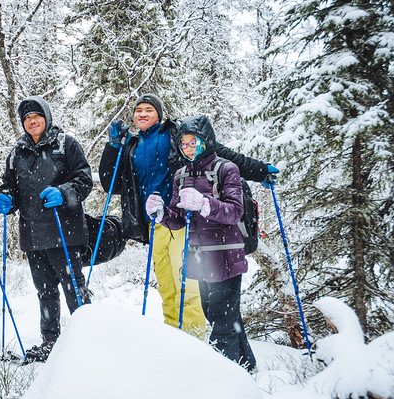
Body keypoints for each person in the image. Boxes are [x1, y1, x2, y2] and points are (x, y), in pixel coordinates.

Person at [99, 94, 278, 336]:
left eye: (149, 109)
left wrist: (258, 171)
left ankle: (194, 342)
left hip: (184, 219)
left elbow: (219, 153)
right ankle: (174, 338)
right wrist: (113, 148)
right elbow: (111, 184)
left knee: (188, 286)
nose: (142, 113)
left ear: (159, 115)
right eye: (138, 110)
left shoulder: (174, 136)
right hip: (156, 222)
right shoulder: (131, 147)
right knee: (167, 286)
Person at [147, 115, 257, 371]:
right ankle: (247, 366)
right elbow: (178, 220)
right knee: (216, 315)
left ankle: (226, 378)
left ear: (205, 141)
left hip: (225, 254)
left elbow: (234, 211)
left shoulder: (226, 169)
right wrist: (162, 213)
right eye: (183, 143)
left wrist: (205, 204)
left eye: (193, 142)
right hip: (198, 257)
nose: (188, 148)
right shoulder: (181, 175)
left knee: (223, 323)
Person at [0, 96, 93, 362]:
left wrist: (64, 192)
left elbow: (84, 179)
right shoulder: (17, 152)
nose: (32, 121)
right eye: (27, 118)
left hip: (65, 231)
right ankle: (50, 342)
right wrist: (7, 197)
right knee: (45, 291)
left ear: (47, 117)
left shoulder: (66, 145)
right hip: (32, 234)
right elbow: (9, 184)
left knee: (73, 287)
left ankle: (88, 340)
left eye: (36, 116)